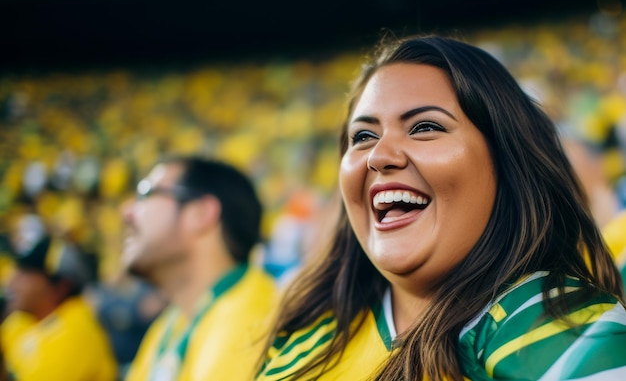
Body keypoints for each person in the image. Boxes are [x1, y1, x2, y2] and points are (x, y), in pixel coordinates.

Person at [255, 35, 626, 381]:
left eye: (424, 127)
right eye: (363, 136)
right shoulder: (301, 343)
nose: (379, 156)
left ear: (507, 162)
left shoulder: (544, 323)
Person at [122, 155, 277, 381]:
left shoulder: (250, 323)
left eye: (146, 193)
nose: (126, 212)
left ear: (200, 213)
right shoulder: (172, 323)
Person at [0, 235, 117, 381]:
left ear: (61, 286)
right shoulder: (19, 322)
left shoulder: (77, 331)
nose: (12, 282)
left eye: (26, 274)